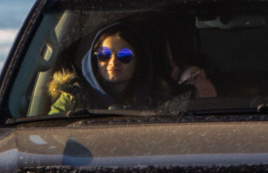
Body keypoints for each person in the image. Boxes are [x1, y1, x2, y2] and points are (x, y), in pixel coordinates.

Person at [42, 21, 215, 116]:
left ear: (139, 61)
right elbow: (48, 135)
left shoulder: (159, 100)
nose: (113, 62)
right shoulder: (73, 97)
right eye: (104, 54)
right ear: (94, 59)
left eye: (124, 56)